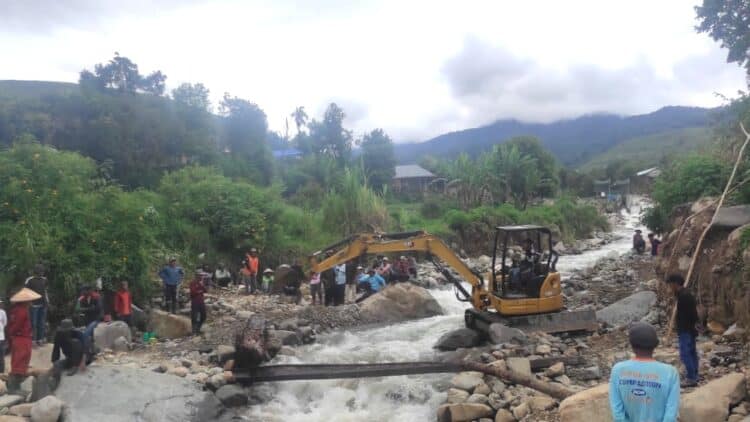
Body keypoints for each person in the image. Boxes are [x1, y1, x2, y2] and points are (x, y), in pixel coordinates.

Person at [609, 322, 679, 421]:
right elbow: (670, 415)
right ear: (656, 345)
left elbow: (617, 413)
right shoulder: (670, 373)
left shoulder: (618, 370)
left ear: (631, 345)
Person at [666, 274, 700, 387]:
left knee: (685, 353)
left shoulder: (684, 296)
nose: (670, 287)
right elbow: (694, 314)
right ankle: (695, 374)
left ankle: (691, 378)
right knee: (692, 352)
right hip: (689, 329)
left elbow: (690, 314)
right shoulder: (685, 294)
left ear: (675, 283)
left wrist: (684, 327)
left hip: (686, 329)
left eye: (670, 284)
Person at [7, 288, 40, 392]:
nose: (31, 302)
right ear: (25, 301)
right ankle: (14, 387)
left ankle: (16, 385)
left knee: (18, 360)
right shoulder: (22, 311)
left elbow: (12, 326)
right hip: (22, 338)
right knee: (20, 360)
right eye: (29, 301)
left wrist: (11, 335)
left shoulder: (15, 310)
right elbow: (17, 326)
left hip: (18, 338)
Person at [24, 264, 48, 346]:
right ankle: (33, 340)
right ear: (37, 271)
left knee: (41, 322)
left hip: (43, 304)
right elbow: (26, 292)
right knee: (33, 323)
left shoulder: (44, 280)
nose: (42, 273)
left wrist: (47, 301)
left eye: (43, 271)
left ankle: (40, 339)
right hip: (33, 304)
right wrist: (29, 302)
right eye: (41, 271)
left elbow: (45, 291)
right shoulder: (29, 280)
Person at [75, 285, 102, 356]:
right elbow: (78, 309)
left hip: (96, 319)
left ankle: (86, 352)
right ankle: (91, 351)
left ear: (89, 291)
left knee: (86, 333)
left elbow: (98, 309)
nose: (82, 293)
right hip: (87, 320)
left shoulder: (96, 297)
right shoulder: (83, 298)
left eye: (84, 291)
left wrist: (85, 309)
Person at [189, 270, 207, 336]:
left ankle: (198, 329)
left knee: (204, 316)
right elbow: (193, 292)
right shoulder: (192, 282)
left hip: (201, 301)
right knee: (194, 316)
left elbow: (205, 290)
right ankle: (194, 331)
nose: (202, 277)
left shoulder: (201, 283)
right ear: (197, 276)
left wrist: (201, 286)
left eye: (202, 275)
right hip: (195, 301)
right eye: (200, 275)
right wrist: (200, 291)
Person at [0, 299, 6, 374]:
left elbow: (5, 322)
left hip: (1, 337)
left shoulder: (2, 312)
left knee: (1, 355)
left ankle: (1, 371)